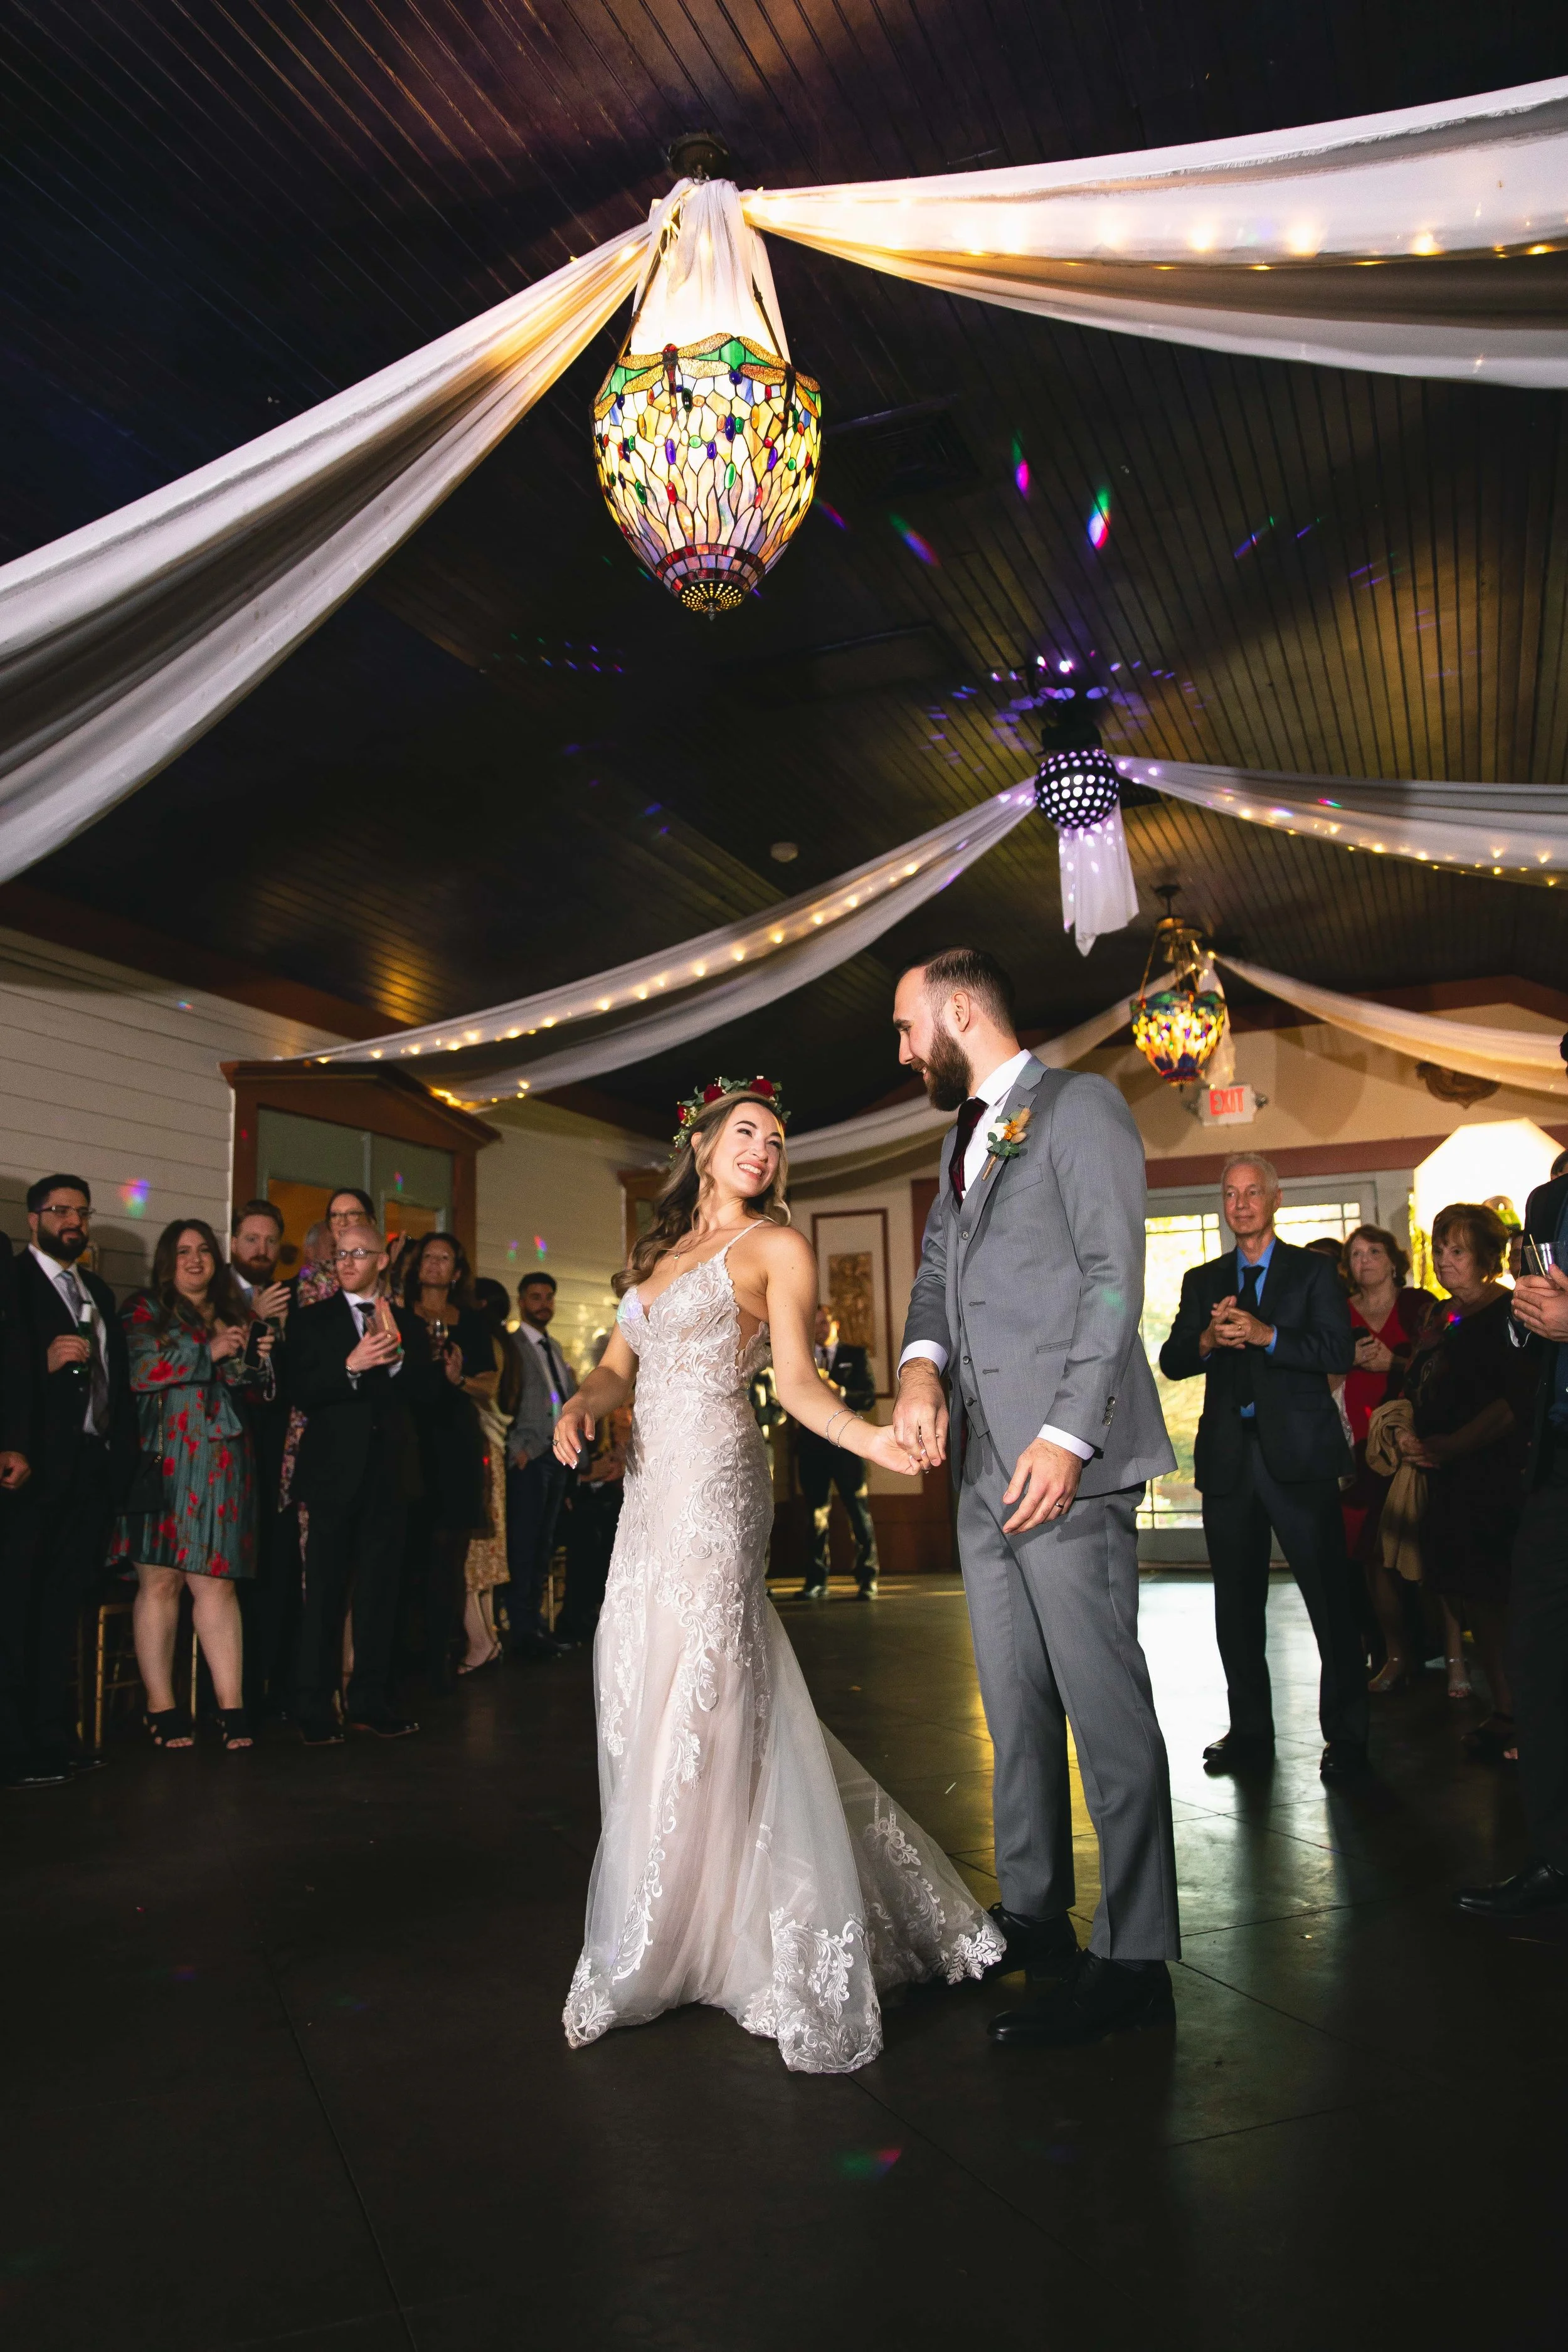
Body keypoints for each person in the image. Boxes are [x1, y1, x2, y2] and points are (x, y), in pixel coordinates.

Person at [554, 1077, 1002, 2072]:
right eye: (745, 1132)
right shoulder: (656, 1257)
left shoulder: (776, 1249)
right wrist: (581, 1404)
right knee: (639, 1677)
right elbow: (616, 1366)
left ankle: (702, 1941)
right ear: (703, 1144)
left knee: (708, 1698)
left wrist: (874, 1440)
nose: (763, 1148)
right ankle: (692, 1915)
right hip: (647, 1496)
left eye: (776, 1139)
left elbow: (796, 1383)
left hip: (717, 1488)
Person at [892, 950, 1178, 2049]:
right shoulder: (959, 1137)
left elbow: (1114, 1274)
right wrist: (921, 1369)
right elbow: (933, 1282)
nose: (904, 1047)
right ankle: (1033, 1911)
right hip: (980, 1473)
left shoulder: (1081, 1108)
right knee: (1012, 1704)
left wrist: (1067, 1433)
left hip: (1065, 1463)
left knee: (1106, 1711)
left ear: (962, 1010)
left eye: (908, 1025)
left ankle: (1138, 1950)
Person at [1160, 1154, 1369, 1782]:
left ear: (1275, 1199)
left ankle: (1349, 1739)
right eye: (1230, 1193)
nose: (1240, 1203)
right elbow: (1171, 1360)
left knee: (1329, 1603)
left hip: (1298, 1459)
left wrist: (1266, 1334)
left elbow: (1337, 1349)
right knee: (1236, 1606)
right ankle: (1249, 1732)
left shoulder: (1311, 1272)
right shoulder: (1203, 1279)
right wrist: (1206, 1339)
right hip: (1228, 1460)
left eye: (1252, 1192)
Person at [110, 1219, 273, 1752]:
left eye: (204, 1250)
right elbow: (138, 1370)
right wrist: (211, 1351)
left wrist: (257, 1360)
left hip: (223, 1461)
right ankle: (163, 1706)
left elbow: (252, 1390)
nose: (196, 1260)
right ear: (167, 1260)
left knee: (217, 1584)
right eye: (183, 1252)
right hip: (162, 1459)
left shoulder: (234, 1313)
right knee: (161, 1583)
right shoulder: (143, 1310)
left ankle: (232, 1708)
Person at [287, 1225, 446, 1744]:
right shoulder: (312, 1320)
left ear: (382, 1259)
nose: (348, 1261)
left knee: (382, 1595)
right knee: (325, 1595)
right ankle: (313, 1707)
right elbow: (303, 1390)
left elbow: (427, 1400)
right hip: (334, 1474)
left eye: (359, 1253)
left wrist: (399, 1364)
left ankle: (371, 1702)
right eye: (341, 1254)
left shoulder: (409, 1324)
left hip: (391, 1475)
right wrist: (349, 1367)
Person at [1461, 1153, 1568, 1914]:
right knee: (1538, 1666)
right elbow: (1531, 1336)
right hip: (1556, 1465)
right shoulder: (1550, 1201)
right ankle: (1555, 1865)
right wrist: (1533, 1320)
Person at [3, 1177, 137, 1786]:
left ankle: (56, 1734)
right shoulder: (12, 1281)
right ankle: (13, 1745)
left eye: (81, 1211)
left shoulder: (98, 1291)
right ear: (33, 1220)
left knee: (62, 1609)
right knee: (16, 1608)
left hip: (88, 1466)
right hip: (31, 1466)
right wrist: (43, 1366)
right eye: (59, 1211)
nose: (72, 1221)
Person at [1396, 1205, 1537, 1763]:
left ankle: (1530, 1716)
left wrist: (1450, 1445)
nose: (1445, 1261)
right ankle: (1505, 1709)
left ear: (1485, 1257)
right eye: (1439, 1249)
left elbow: (1512, 1404)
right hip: (1449, 1477)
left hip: (1497, 1477)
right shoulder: (1443, 1316)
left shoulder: (1511, 1312)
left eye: (1458, 1251)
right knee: (1473, 1597)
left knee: (1507, 1598)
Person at [1337, 1223, 1439, 1691]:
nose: (1365, 1261)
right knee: (1371, 1555)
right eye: (1356, 1254)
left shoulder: (1421, 1306)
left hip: (1412, 1443)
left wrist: (1392, 1364)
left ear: (1393, 1259)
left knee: (1418, 1548)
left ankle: (1439, 1650)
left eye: (1374, 1251)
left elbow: (1447, 1356)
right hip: (1357, 1445)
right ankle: (1393, 1652)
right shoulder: (1340, 1313)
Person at [399, 1231, 490, 1690]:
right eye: (428, 1258)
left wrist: (459, 1379)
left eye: (445, 1259)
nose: (435, 1265)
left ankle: (440, 1658)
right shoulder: (398, 1315)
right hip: (409, 1441)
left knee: (447, 1556)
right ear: (417, 1266)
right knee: (407, 1551)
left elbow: (490, 1385)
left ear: (457, 1272)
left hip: (454, 1444)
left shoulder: (471, 1321)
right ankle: (405, 1653)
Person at [228, 1199, 296, 1714]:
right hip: (227, 1447)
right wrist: (256, 1318)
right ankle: (232, 1695)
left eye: (271, 1241)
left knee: (276, 1568)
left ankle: (271, 1687)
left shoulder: (293, 1298)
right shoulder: (214, 1294)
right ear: (233, 1244)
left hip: (279, 1451)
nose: (261, 1250)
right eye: (252, 1239)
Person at [502, 1271, 576, 1659]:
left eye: (548, 1297)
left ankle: (536, 1628)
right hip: (529, 1454)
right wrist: (517, 1446)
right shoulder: (512, 1346)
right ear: (521, 1301)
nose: (543, 1303)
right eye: (535, 1297)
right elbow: (504, 1397)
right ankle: (522, 1631)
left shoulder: (556, 1348)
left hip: (557, 1455)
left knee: (545, 1543)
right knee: (525, 1545)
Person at [797, 1305, 881, 1598]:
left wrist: (840, 1392)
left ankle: (867, 1578)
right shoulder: (803, 1359)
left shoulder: (854, 1356)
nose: (819, 1328)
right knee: (815, 1515)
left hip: (848, 1448)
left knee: (858, 1512)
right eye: (814, 1324)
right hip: (812, 1450)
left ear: (836, 1323)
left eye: (823, 1322)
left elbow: (869, 1396)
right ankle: (817, 1580)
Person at [459, 1277, 519, 1673]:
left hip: (481, 1445)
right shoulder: (509, 1345)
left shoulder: (486, 1344)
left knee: (472, 1554)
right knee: (487, 1552)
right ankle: (489, 1636)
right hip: (497, 1447)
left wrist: (455, 1380)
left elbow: (487, 1390)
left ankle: (479, 1642)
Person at [557, 1331, 630, 1646]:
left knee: (613, 1538)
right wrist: (587, 1476)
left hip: (615, 1490)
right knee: (587, 1538)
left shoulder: (628, 1407)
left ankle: (603, 1610)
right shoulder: (584, 1401)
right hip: (582, 1493)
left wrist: (619, 1463)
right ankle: (578, 1615)